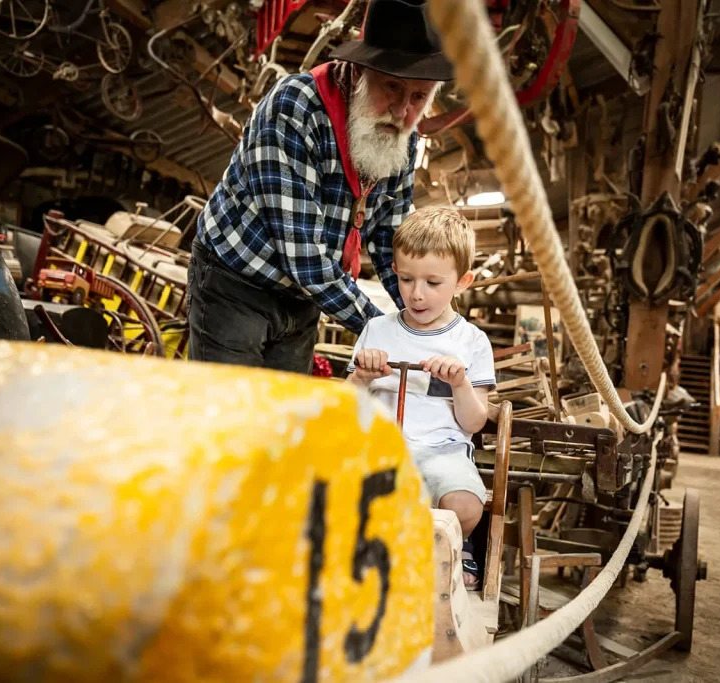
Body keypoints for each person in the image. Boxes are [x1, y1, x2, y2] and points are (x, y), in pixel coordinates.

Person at [186, 0, 451, 374]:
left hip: (303, 295)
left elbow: (392, 237)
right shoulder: (296, 107)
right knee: (228, 415)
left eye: (419, 97)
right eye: (393, 87)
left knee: (284, 416)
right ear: (359, 71)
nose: (402, 110)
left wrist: (426, 312)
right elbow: (304, 255)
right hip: (236, 285)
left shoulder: (405, 139)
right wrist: (384, 331)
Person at [346, 206, 496, 588]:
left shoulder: (472, 342)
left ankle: (456, 548)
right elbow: (345, 407)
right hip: (380, 447)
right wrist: (362, 377)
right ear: (394, 269)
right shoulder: (376, 330)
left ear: (463, 281)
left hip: (442, 450)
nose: (416, 294)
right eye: (407, 279)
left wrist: (460, 382)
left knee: (465, 506)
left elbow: (475, 423)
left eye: (433, 283)